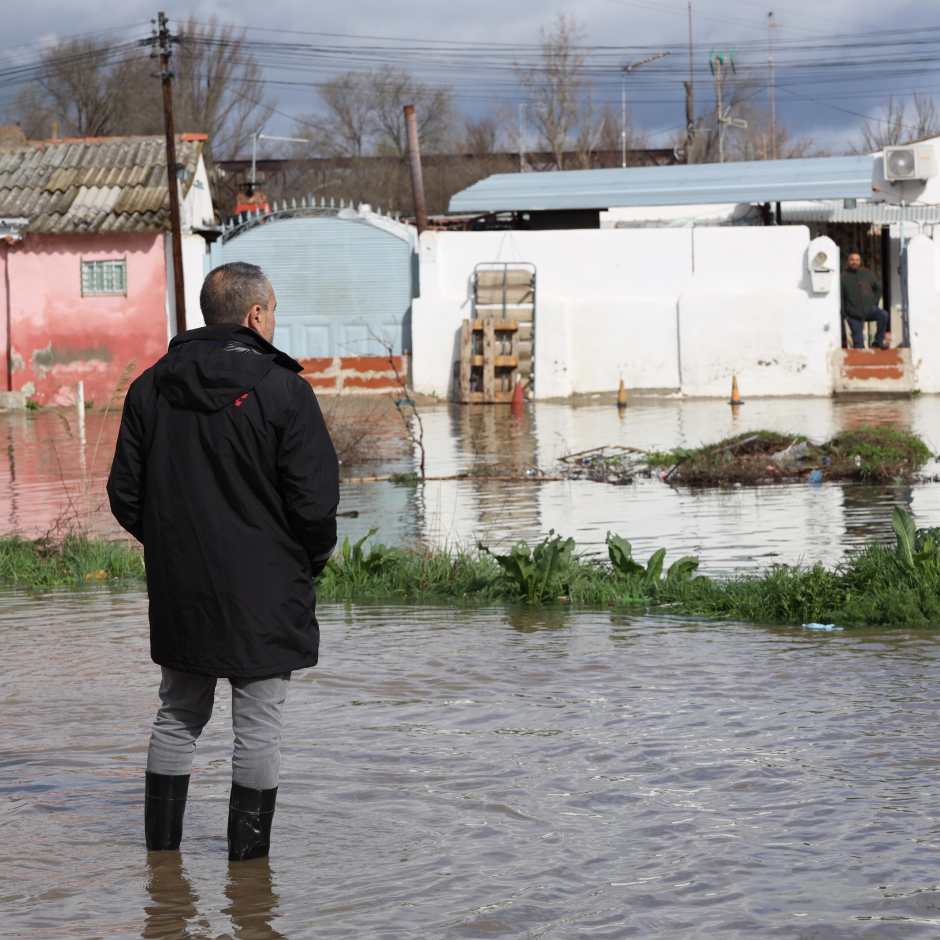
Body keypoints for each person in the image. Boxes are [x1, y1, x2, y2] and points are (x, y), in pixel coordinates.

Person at [107, 262, 339, 861]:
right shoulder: (285, 390)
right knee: (258, 729)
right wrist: (302, 563)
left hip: (182, 586)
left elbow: (124, 496)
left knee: (177, 714)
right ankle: (249, 882)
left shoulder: (148, 387)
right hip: (267, 589)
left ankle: (161, 867)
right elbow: (315, 505)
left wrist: (170, 547)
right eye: (275, 311)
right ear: (257, 314)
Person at [841, 250, 891, 349]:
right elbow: (841, 297)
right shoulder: (843, 276)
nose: (854, 262)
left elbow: (878, 288)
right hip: (853, 314)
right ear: (848, 261)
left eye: (857, 260)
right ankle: (859, 362)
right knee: (858, 345)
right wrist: (845, 314)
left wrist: (874, 302)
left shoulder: (867, 273)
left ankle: (877, 341)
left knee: (883, 315)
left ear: (860, 261)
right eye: (852, 260)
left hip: (869, 310)